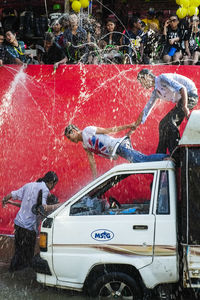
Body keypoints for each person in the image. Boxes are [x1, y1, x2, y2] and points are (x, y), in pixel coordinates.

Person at [2, 171, 60, 272]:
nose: (53, 188)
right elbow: (43, 208)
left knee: (18, 251)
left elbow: (14, 195)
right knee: (28, 255)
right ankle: (21, 275)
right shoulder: (45, 189)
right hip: (29, 228)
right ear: (51, 182)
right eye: (54, 185)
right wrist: (61, 205)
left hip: (19, 225)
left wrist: (6, 200)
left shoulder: (29, 185)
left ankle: (12, 272)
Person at [131, 68, 198, 155]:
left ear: (147, 77)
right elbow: (146, 109)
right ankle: (160, 154)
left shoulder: (162, 78)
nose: (141, 84)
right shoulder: (156, 92)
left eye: (141, 80)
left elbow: (183, 89)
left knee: (171, 122)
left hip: (190, 95)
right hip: (182, 100)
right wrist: (134, 127)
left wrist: (185, 107)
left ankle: (176, 155)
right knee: (163, 124)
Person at [64, 124, 168, 179]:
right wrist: (94, 179)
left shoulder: (88, 130)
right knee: (140, 162)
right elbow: (92, 162)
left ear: (73, 131)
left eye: (69, 137)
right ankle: (164, 163)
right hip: (118, 150)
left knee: (141, 161)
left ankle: (166, 158)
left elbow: (109, 130)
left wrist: (127, 126)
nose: (71, 141)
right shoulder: (84, 145)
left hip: (119, 145)